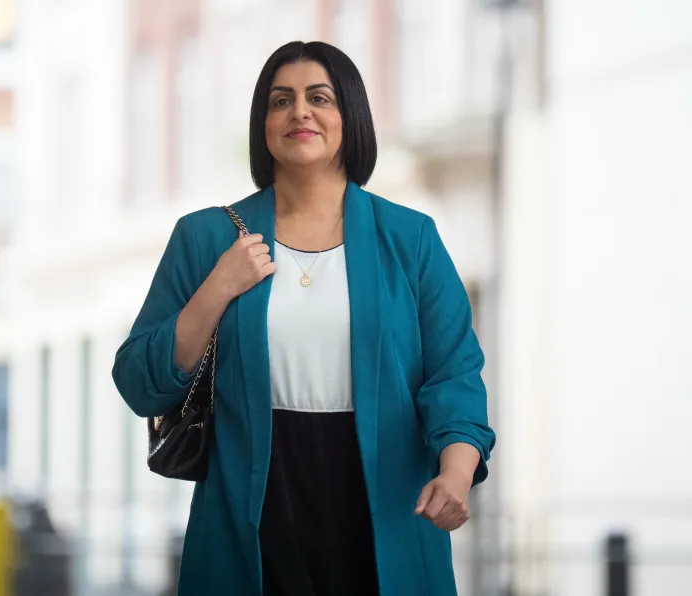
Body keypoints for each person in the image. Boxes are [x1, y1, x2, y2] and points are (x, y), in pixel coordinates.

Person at [112, 40, 496, 596]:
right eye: (280, 100)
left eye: (319, 98)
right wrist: (217, 288)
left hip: (385, 508)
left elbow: (454, 374)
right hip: (251, 510)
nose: (299, 112)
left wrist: (456, 473)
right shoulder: (205, 238)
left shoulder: (410, 238)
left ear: (350, 117)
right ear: (263, 124)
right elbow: (138, 382)